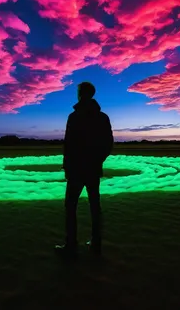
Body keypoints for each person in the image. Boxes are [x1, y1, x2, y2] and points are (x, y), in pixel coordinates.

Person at [55, 81, 114, 257]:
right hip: (93, 169)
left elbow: (69, 144)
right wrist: (97, 160)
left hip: (76, 169)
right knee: (95, 206)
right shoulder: (102, 117)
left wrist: (68, 166)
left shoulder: (74, 116)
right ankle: (96, 243)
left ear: (81, 94)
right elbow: (108, 143)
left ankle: (71, 244)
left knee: (71, 206)